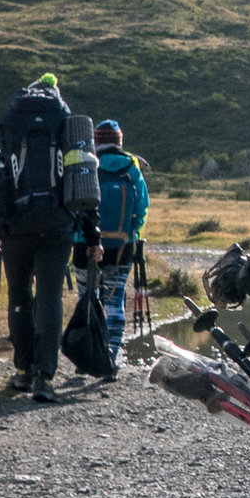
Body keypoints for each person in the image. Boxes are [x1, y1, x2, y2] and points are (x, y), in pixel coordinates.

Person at [0, 72, 101, 404]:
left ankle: (23, 370)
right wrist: (92, 235)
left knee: (19, 296)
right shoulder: (66, 130)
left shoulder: (9, 128)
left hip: (14, 226)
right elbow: (82, 184)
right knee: (50, 298)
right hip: (57, 227)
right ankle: (45, 377)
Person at [87, 119, 149, 381]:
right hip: (123, 246)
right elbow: (142, 206)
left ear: (96, 141)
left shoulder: (88, 164)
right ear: (120, 141)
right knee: (115, 300)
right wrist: (133, 234)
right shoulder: (131, 166)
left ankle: (89, 355)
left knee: (88, 298)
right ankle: (111, 356)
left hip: (87, 245)